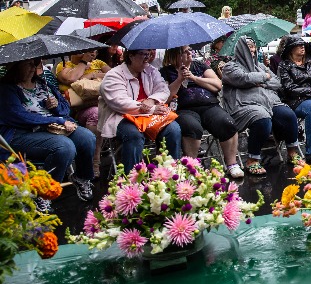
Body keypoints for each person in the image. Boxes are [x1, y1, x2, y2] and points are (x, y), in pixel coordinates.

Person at [0, 58, 95, 202]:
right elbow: (21, 117)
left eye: (35, 64)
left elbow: (65, 109)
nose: (33, 68)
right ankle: (44, 194)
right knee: (64, 147)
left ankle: (81, 177)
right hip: (21, 133)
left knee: (87, 138)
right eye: (28, 64)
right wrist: (56, 120)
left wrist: (56, 106)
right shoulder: (6, 89)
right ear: (16, 66)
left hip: (53, 129)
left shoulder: (43, 83)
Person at [160, 46, 243, 179]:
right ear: (175, 55)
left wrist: (194, 78)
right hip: (184, 109)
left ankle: (232, 164)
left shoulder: (199, 65)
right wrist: (180, 79)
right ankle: (191, 168)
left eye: (190, 50)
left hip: (209, 105)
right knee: (192, 127)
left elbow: (217, 85)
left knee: (226, 122)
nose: (189, 53)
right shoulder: (166, 71)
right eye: (185, 51)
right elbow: (165, 97)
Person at [221, 37, 301, 175]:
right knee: (262, 119)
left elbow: (277, 83)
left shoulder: (260, 65)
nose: (252, 49)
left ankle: (292, 152)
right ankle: (252, 159)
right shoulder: (230, 67)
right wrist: (264, 76)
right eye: (248, 46)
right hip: (245, 104)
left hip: (268, 102)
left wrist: (260, 80)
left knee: (288, 115)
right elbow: (243, 79)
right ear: (240, 49)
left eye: (253, 46)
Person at [99, 49, 182, 175]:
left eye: (149, 54)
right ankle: (133, 180)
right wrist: (151, 108)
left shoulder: (151, 70)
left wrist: (151, 99)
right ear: (131, 56)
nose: (147, 58)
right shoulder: (113, 75)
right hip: (122, 117)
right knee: (134, 135)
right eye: (143, 54)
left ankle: (169, 175)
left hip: (150, 117)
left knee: (173, 130)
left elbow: (164, 90)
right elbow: (120, 102)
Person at [56, 49, 110, 178]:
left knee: (100, 112)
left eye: (94, 51)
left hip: (102, 104)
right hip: (77, 109)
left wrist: (93, 74)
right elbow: (71, 79)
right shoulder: (64, 65)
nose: (91, 53)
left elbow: (115, 75)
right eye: (85, 51)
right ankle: (94, 163)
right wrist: (85, 65)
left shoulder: (99, 63)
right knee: (96, 113)